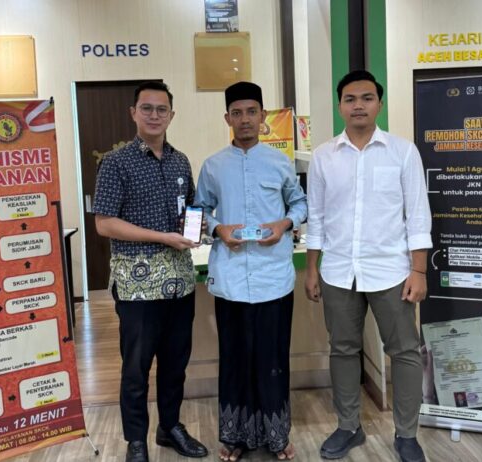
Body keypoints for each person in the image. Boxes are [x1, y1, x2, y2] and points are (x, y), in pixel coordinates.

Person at [304, 70, 432, 462]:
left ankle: (407, 434)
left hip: (391, 272)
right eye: (350, 99)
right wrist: (312, 269)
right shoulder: (323, 156)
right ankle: (349, 427)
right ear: (339, 106)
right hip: (338, 271)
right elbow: (316, 218)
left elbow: (418, 215)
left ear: (379, 103)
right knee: (343, 350)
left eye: (366, 98)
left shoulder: (403, 152)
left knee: (404, 352)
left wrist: (419, 271)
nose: (358, 105)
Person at [92, 81, 208, 462]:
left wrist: (198, 226)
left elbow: (190, 208)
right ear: (134, 113)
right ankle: (136, 440)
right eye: (147, 108)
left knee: (175, 364)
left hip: (180, 282)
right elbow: (104, 223)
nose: (155, 115)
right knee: (136, 368)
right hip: (137, 286)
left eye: (162, 109)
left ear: (171, 115)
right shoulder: (116, 163)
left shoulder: (180, 161)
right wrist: (162, 236)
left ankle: (169, 427)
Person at [195, 81, 307, 461]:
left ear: (262, 117)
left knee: (272, 361)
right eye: (237, 113)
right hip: (230, 281)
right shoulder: (213, 166)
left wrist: (285, 224)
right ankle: (235, 437)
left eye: (251, 112)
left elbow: (300, 204)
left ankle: (277, 436)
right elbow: (198, 212)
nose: (245, 119)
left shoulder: (279, 162)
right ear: (227, 118)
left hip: (273, 279)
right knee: (235, 360)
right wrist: (217, 229)